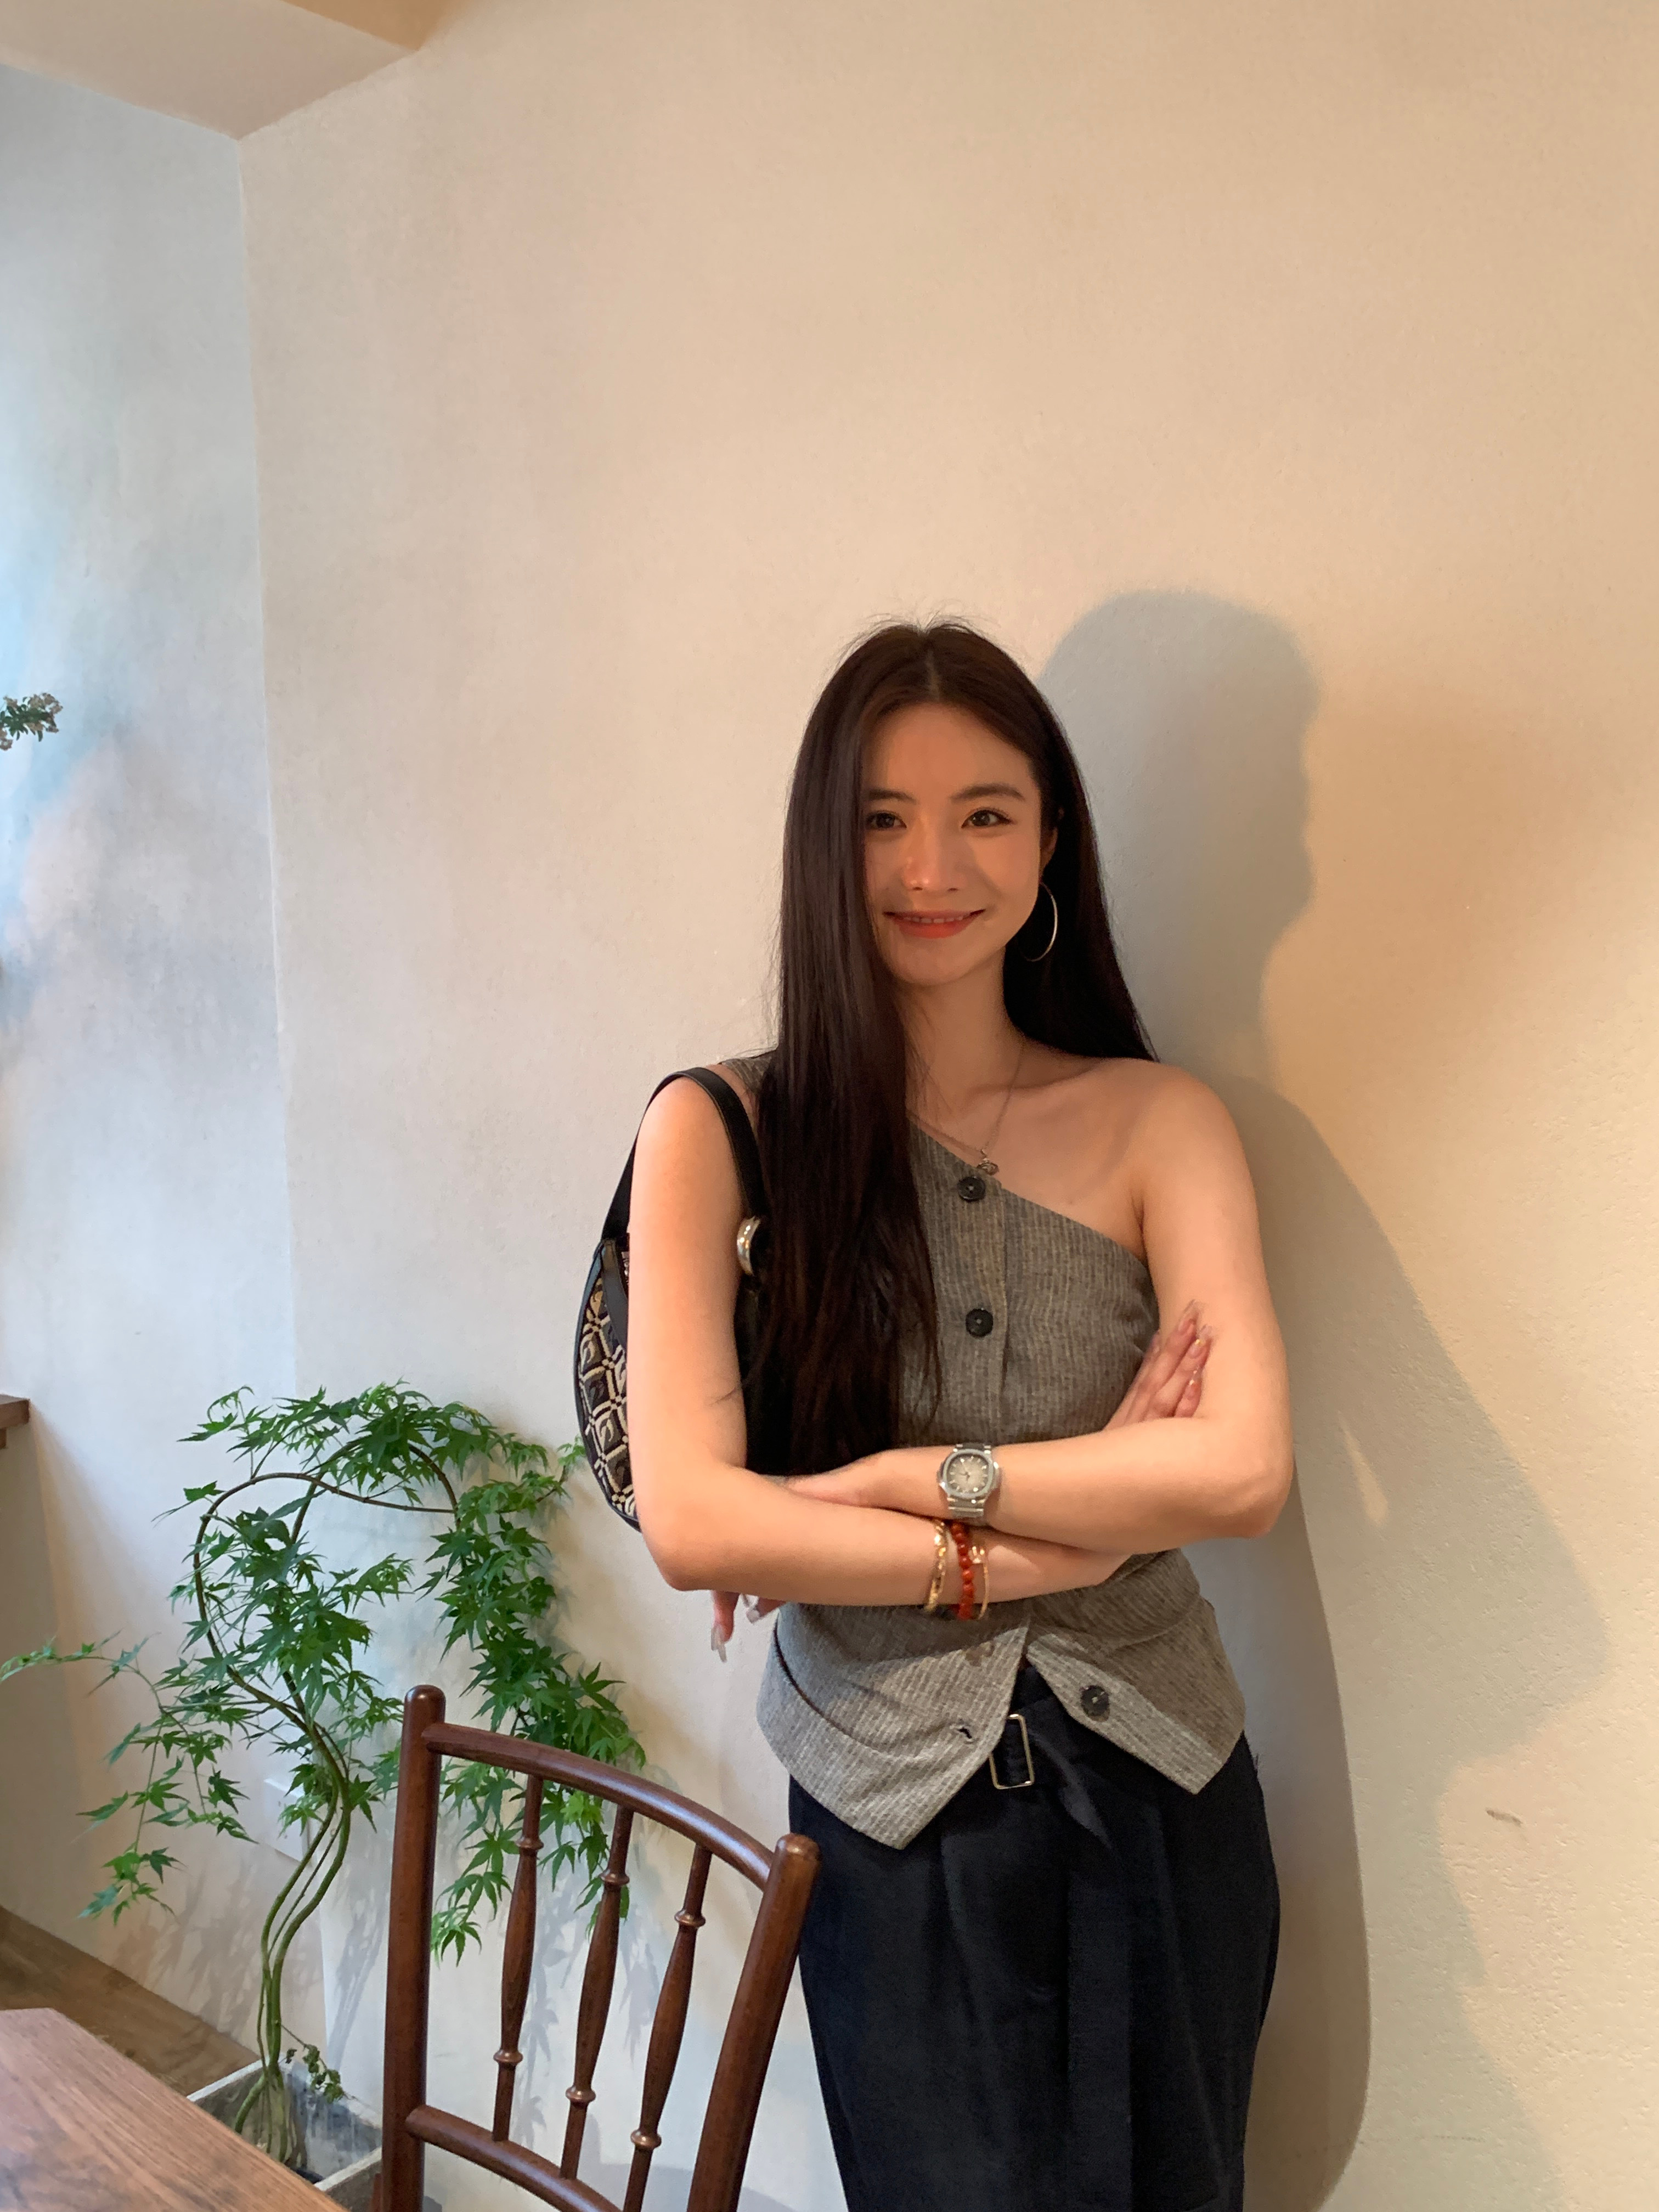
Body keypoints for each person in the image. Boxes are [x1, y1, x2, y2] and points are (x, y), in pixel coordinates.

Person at [625, 621, 1291, 2212]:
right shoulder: (721, 1132)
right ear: (824, 845)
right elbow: (696, 1521)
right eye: (883, 818)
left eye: (986, 812)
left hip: (1168, 1793)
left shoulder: (1161, 1119)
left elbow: (1242, 1471)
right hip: (890, 1826)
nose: (933, 866)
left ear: (1052, 840)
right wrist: (1068, 1533)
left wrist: (887, 1482)